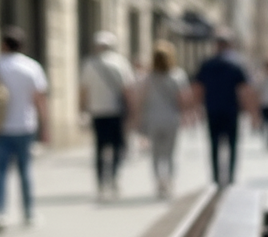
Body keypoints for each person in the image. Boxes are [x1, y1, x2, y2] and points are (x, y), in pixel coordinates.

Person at [0, 25, 49, 232]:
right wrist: (45, 127)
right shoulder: (31, 67)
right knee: (25, 171)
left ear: (4, 44)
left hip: (0, 126)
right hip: (25, 125)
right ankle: (28, 213)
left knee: (1, 172)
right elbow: (40, 99)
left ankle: (1, 214)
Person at [193, 32, 255, 185]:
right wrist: (252, 112)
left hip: (212, 110)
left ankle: (215, 178)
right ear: (229, 45)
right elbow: (244, 91)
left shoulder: (207, 64)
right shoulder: (236, 65)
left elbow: (198, 89)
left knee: (214, 145)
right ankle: (231, 177)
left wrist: (195, 109)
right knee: (232, 145)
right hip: (231, 111)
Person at [81, 31, 135, 198]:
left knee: (99, 148)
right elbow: (127, 90)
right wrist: (132, 110)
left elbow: (83, 90)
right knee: (117, 147)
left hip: (97, 112)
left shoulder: (89, 64)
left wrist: (82, 110)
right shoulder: (120, 63)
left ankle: (100, 184)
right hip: (116, 111)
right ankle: (114, 179)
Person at [136, 40, 191, 198]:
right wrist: (187, 115)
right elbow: (183, 98)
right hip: (171, 118)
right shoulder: (177, 75)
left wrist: (139, 118)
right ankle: (170, 180)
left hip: (153, 118)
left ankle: (159, 181)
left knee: (155, 153)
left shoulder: (148, 77)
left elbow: (142, 99)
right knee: (170, 153)